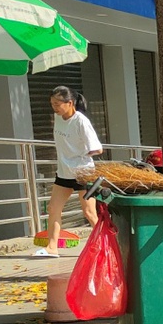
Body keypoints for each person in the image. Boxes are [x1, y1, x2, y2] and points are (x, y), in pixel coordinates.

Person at [35, 86, 102, 257]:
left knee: (89, 212)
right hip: (64, 172)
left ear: (70, 103)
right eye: (52, 104)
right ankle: (52, 247)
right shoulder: (58, 118)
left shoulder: (81, 121)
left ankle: (105, 245)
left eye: (57, 104)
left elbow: (97, 149)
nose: (54, 108)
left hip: (83, 172)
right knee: (53, 208)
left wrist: (78, 154)